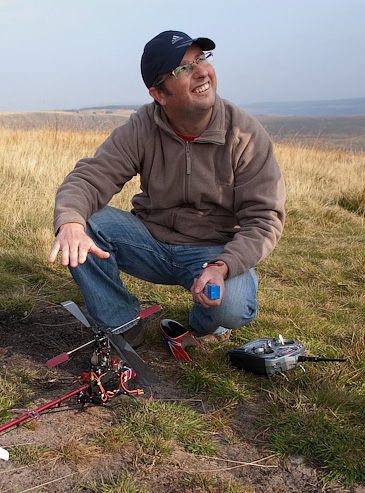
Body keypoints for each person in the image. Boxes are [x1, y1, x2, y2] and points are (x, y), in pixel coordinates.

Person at [48, 30, 286, 350]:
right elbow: (90, 178)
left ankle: (204, 322)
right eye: (183, 68)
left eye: (202, 58)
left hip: (211, 253)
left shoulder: (244, 133)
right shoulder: (142, 126)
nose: (201, 71)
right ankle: (122, 324)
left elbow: (265, 218)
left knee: (234, 308)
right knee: (83, 225)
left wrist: (223, 266)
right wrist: (71, 224)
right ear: (159, 94)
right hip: (151, 243)